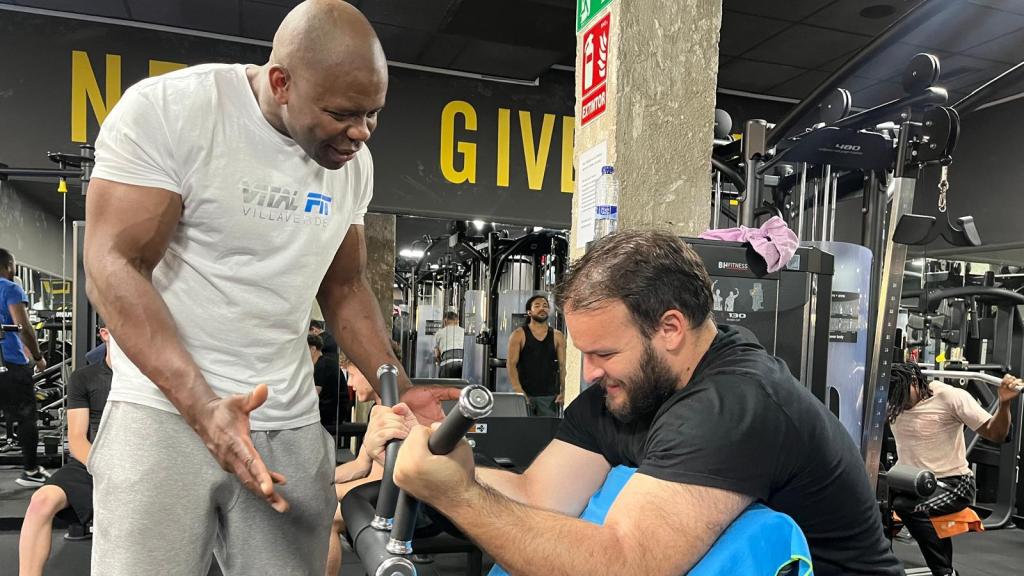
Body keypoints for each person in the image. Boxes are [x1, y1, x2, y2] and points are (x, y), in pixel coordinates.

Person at [81, 2, 428, 574]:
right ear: (281, 82)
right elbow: (113, 264)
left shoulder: (352, 164)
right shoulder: (172, 112)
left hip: (286, 419)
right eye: (343, 113)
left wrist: (403, 389)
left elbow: (344, 288)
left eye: (373, 115)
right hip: (164, 411)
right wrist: (203, 407)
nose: (360, 134)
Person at [393, 230, 902, 576]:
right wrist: (434, 461)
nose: (590, 373)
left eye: (604, 353)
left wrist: (458, 496)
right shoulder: (625, 391)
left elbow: (628, 562)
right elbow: (538, 495)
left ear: (670, 328)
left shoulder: (733, 403)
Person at [887, 362, 1021, 576]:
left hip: (953, 483)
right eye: (893, 400)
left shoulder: (950, 397)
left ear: (914, 382)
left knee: (909, 507)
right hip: (909, 481)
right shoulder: (891, 400)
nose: (899, 404)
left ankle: (945, 573)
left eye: (902, 397)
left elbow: (998, 435)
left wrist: (1004, 404)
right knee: (872, 503)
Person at [18, 321, 112, 576]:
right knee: (41, 501)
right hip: (92, 461)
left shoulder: (150, 378)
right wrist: (103, 470)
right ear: (104, 334)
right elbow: (77, 438)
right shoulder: (85, 377)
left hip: (139, 465)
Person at [0, 248, 48, 486]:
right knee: (26, 416)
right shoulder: (10, 288)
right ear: (9, 266)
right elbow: (24, 327)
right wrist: (38, 357)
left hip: (8, 363)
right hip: (10, 363)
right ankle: (30, 471)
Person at [506, 295, 566, 416]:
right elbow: (511, 364)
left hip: (549, 398)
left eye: (545, 306)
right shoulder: (518, 335)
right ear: (529, 312)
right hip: (525, 395)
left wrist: (564, 391)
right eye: (537, 306)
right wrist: (519, 391)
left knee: (547, 433)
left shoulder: (557, 336)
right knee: (524, 432)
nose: (542, 309)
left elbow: (563, 366)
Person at [433, 310, 465, 378]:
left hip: (448, 364)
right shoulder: (464, 331)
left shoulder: (439, 333)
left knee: (444, 387)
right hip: (464, 364)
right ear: (457, 321)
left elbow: (437, 355)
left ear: (445, 321)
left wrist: (439, 363)